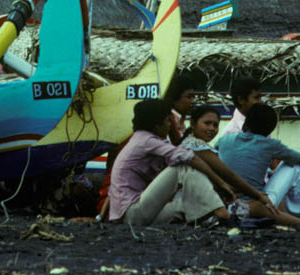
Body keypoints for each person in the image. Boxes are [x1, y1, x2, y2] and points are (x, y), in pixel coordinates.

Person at [107, 99, 235, 226]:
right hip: (132, 215)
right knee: (183, 166)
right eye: (168, 120)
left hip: (131, 215)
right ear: (157, 124)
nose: (170, 125)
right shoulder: (146, 141)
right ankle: (221, 212)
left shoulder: (141, 140)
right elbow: (189, 158)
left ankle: (216, 216)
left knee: (186, 206)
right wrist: (221, 183)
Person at [216, 104, 300, 228]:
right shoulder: (270, 144)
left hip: (226, 200)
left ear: (247, 122)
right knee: (294, 167)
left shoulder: (224, 140)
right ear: (271, 129)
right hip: (257, 201)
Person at [182, 105, 276, 216]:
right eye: (207, 123)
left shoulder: (193, 143)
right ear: (193, 123)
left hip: (207, 199)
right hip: (204, 205)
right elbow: (230, 176)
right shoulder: (196, 145)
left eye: (215, 125)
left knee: (263, 208)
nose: (212, 128)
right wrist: (257, 194)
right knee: (262, 208)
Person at [163, 73, 198, 144]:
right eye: (189, 97)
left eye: (193, 97)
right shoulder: (166, 122)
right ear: (174, 98)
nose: (193, 101)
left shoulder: (181, 121)